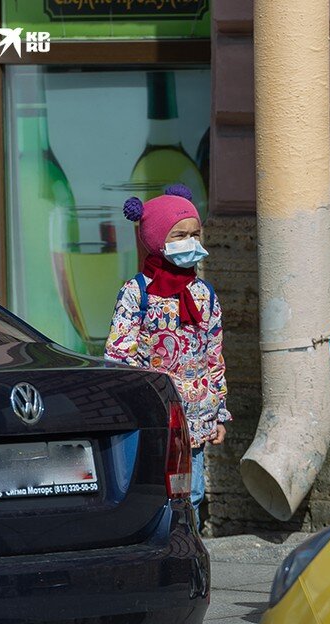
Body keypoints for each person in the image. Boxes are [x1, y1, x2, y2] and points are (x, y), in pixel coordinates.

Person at [105, 184, 229, 531]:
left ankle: (188, 544)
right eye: (179, 235)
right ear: (157, 239)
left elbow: (214, 355)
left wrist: (218, 413)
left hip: (198, 419)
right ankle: (162, 544)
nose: (190, 242)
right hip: (157, 416)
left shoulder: (203, 294)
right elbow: (118, 354)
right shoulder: (137, 293)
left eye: (194, 234)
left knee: (193, 493)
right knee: (158, 492)